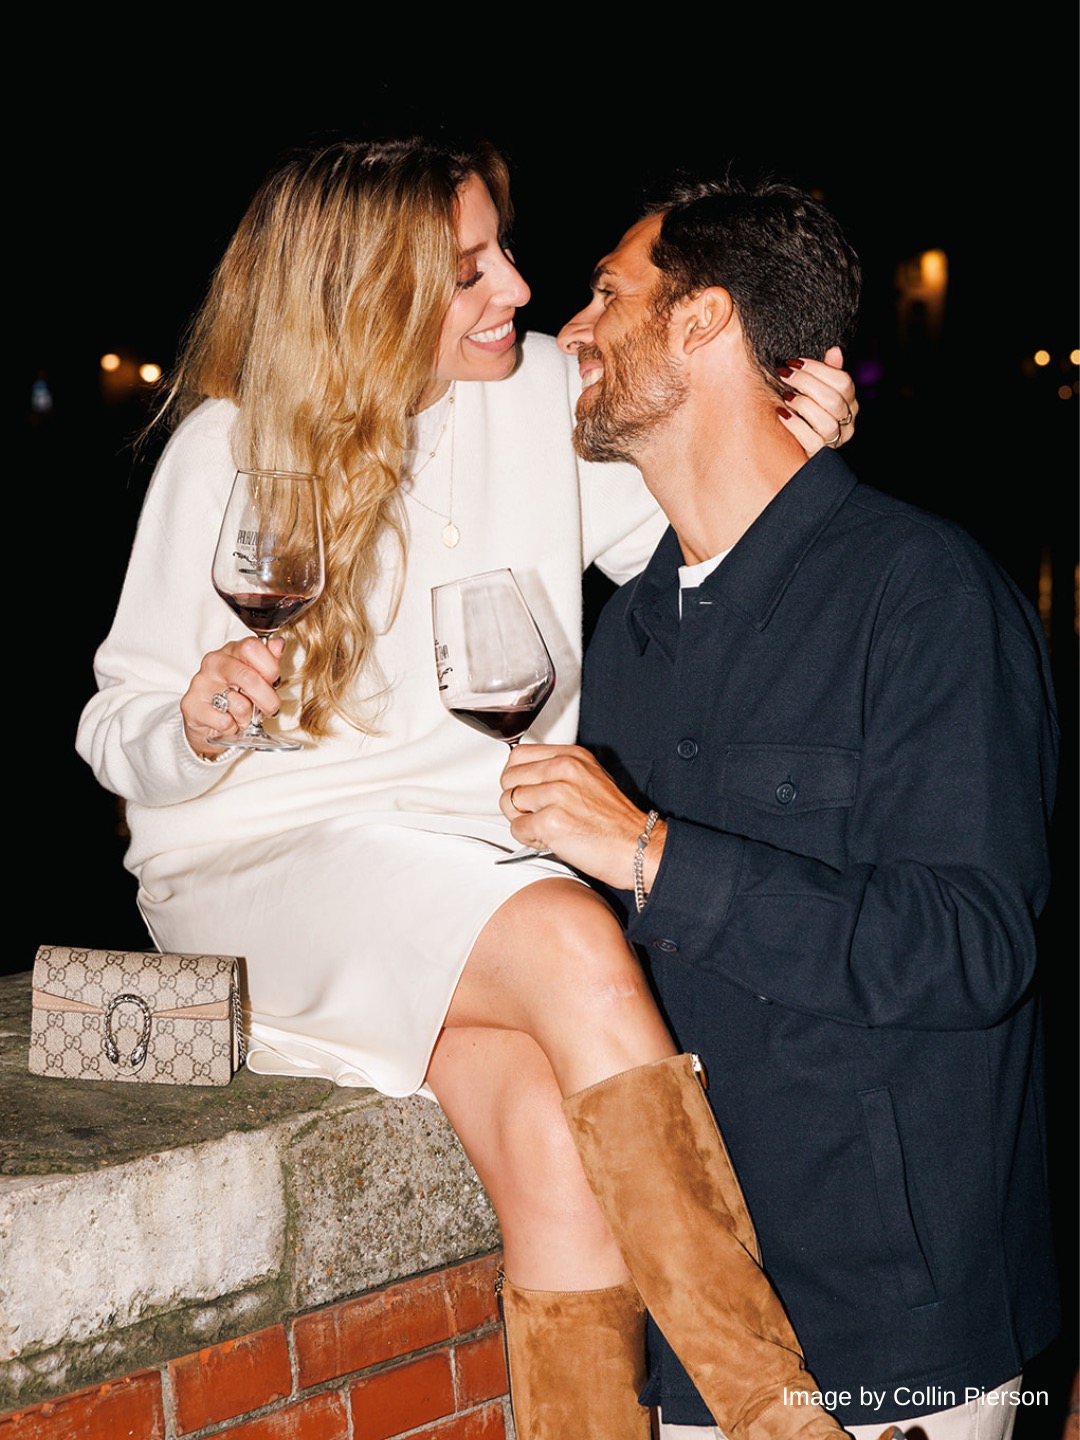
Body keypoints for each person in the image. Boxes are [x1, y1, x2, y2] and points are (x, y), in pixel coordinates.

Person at [76, 137, 862, 1440]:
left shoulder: (541, 396)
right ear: (362, 294)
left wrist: (794, 465)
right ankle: (781, 1421)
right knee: (569, 931)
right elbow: (119, 726)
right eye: (467, 270)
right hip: (263, 863)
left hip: (471, 866)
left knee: (555, 1160)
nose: (518, 285)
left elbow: (707, 550)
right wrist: (197, 718)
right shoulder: (228, 449)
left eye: (502, 246)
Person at [500, 175, 1061, 1440]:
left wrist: (651, 854)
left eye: (607, 295)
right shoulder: (629, 632)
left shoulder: (921, 595)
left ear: (703, 324)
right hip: (690, 1330)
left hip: (888, 1344)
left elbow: (972, 947)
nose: (571, 334)